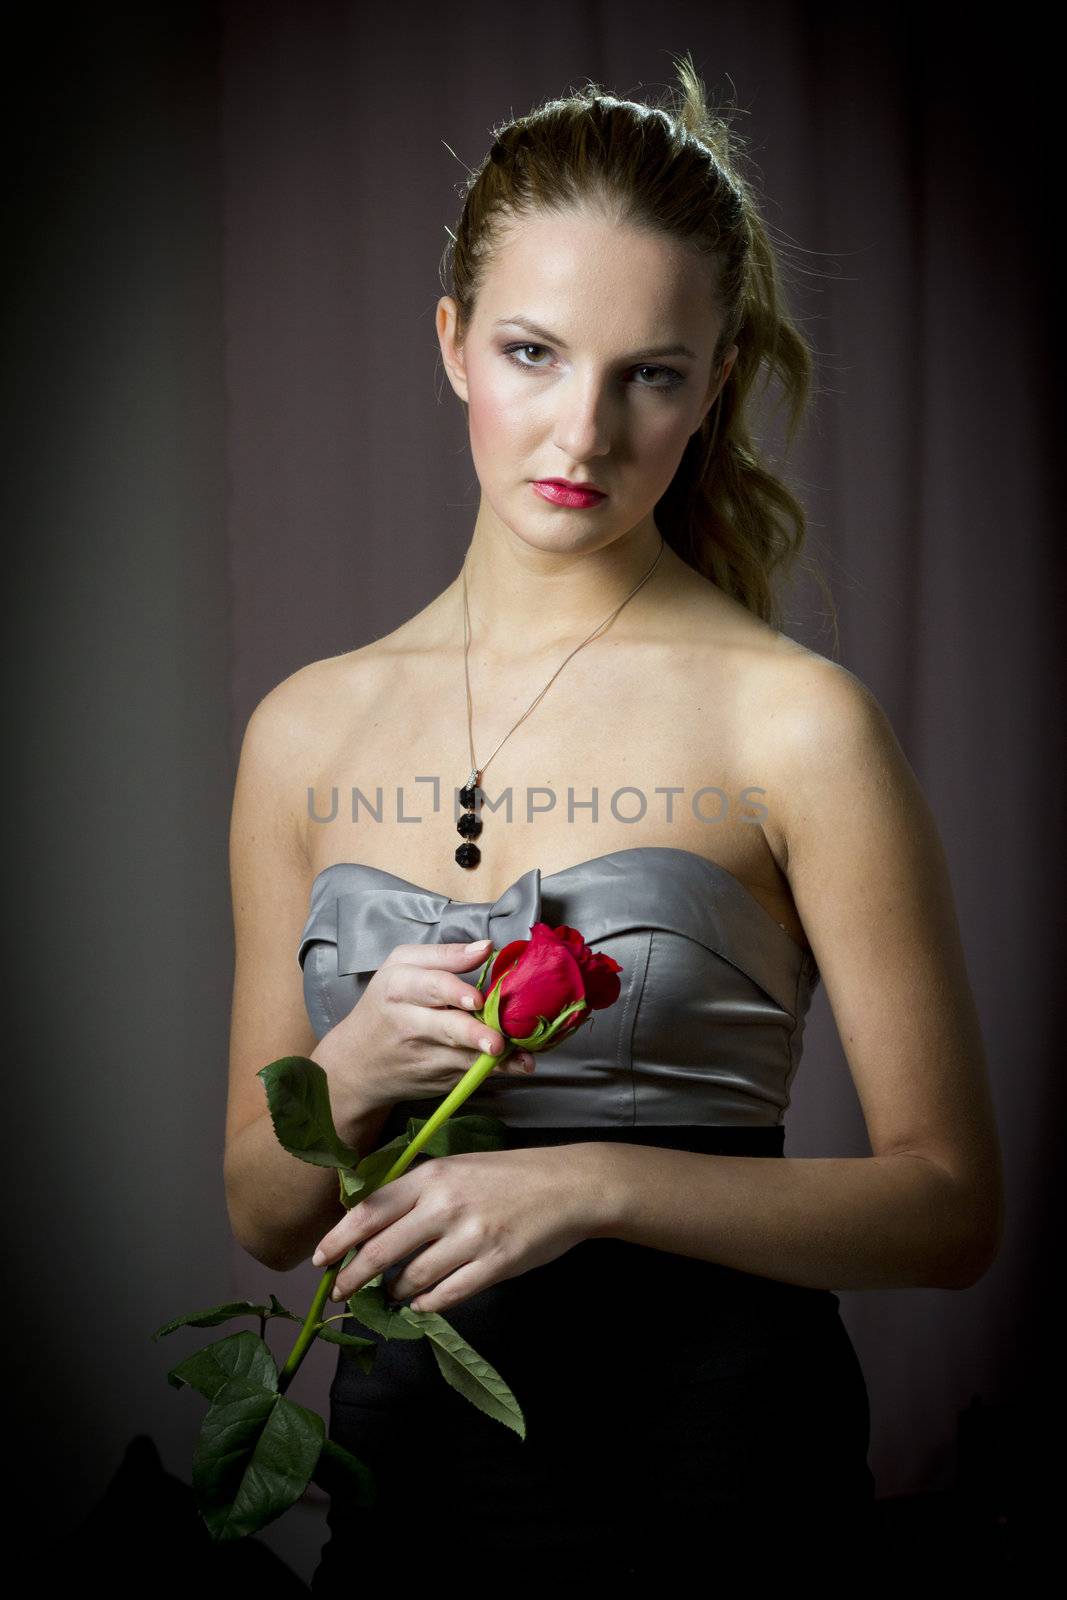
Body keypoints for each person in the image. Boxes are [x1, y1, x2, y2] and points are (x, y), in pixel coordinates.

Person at [223, 55, 1003, 1584]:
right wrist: (356, 1063)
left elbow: (951, 1209)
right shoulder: (302, 730)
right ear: (452, 343)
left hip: (720, 1488)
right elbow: (262, 1210)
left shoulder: (795, 721)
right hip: (402, 1493)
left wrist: (591, 1184)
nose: (581, 432)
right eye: (532, 351)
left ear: (713, 387)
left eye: (650, 372)